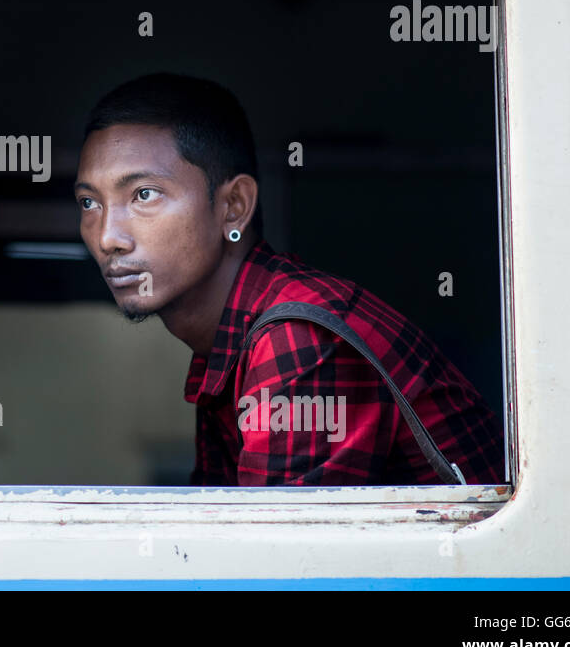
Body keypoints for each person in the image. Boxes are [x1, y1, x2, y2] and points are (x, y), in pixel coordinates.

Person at [73, 73, 504, 485]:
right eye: (90, 203)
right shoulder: (229, 343)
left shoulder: (295, 337)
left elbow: (279, 558)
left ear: (234, 207)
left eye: (144, 195)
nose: (108, 237)